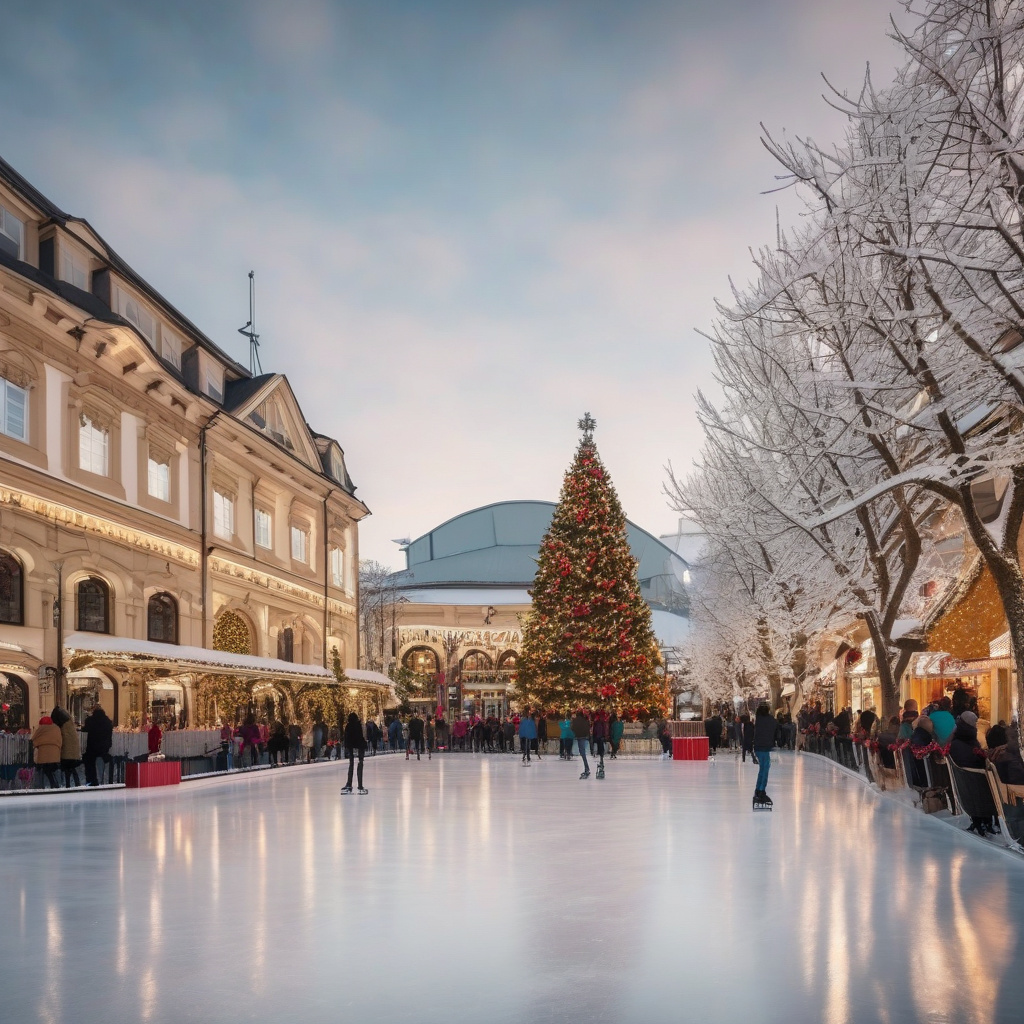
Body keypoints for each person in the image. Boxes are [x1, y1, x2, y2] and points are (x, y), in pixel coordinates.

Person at [949, 711, 996, 835]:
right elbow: (972, 760)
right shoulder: (968, 740)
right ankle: (989, 822)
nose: (976, 725)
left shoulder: (958, 739)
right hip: (977, 780)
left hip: (970, 781)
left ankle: (983, 821)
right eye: (975, 722)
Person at [50, 707, 82, 788]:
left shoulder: (62, 727)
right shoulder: (69, 724)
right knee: (72, 768)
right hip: (73, 752)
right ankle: (77, 783)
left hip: (67, 752)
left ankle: (69, 784)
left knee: (67, 769)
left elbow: (60, 739)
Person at [82, 704, 114, 786]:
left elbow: (85, 729)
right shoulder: (108, 721)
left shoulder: (90, 720)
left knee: (88, 760)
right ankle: (107, 779)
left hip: (93, 747)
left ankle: (92, 780)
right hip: (105, 748)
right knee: (104, 758)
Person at [752, 704, 776, 807]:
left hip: (758, 747)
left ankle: (758, 789)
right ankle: (761, 790)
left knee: (762, 769)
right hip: (765, 748)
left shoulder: (758, 719)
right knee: (765, 769)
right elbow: (775, 727)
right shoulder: (770, 720)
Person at [31, 715, 62, 789]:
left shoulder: (41, 729)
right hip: (55, 754)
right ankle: (54, 783)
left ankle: (46, 785)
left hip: (43, 755)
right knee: (51, 769)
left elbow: (34, 740)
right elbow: (60, 741)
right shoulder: (57, 729)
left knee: (44, 769)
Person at [340, 712, 368, 794]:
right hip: (359, 748)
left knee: (351, 765)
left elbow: (347, 738)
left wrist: (347, 747)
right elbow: (361, 737)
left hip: (351, 748)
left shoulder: (348, 726)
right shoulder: (358, 725)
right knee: (360, 765)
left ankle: (349, 784)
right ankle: (360, 785)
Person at [572, 709, 591, 779]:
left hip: (579, 736)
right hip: (583, 736)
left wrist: (576, 733)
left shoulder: (575, 721)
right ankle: (587, 768)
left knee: (582, 752)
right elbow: (588, 728)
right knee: (582, 752)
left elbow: (572, 728)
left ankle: (587, 768)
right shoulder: (585, 721)